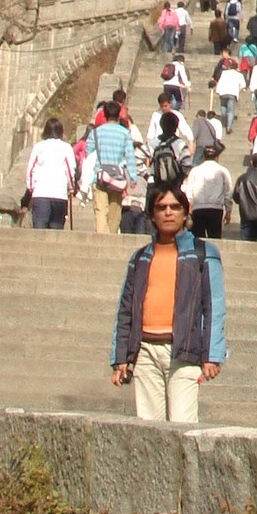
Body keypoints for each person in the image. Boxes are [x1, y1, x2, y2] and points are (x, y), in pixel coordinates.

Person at [110, 183, 226, 422]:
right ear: (152, 215)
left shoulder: (203, 253)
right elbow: (125, 309)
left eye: (175, 207)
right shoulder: (140, 257)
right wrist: (120, 357)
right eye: (161, 207)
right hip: (145, 352)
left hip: (184, 353)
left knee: (182, 426)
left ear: (186, 212)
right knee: (148, 428)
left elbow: (214, 306)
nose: (168, 212)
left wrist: (212, 354)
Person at [88, 99, 138, 236]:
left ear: (104, 114)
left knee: (100, 210)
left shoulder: (96, 132)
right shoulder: (125, 133)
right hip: (118, 178)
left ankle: (101, 237)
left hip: (99, 176)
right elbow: (130, 156)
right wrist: (133, 177)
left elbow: (88, 153)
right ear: (118, 115)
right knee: (115, 212)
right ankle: (112, 237)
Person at [25, 117, 77, 230]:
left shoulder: (38, 147)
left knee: (39, 227)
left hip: (40, 193)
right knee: (56, 228)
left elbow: (30, 169)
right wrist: (71, 186)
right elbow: (70, 170)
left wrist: (31, 188)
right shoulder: (66, 148)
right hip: (59, 194)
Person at [186, 153, 232, 239]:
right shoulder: (223, 170)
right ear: (216, 156)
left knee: (198, 238)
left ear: (203, 156)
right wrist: (228, 210)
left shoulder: (195, 170)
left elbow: (189, 190)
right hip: (216, 208)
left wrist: (189, 206)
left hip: (198, 207)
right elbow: (228, 191)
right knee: (215, 236)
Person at [145, 96, 194, 166]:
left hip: (173, 145)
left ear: (170, 104)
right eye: (162, 106)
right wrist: (148, 141)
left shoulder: (177, 115)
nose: (164, 108)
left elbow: (185, 129)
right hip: (159, 145)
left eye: (165, 106)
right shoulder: (156, 115)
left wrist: (191, 141)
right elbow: (151, 131)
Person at [212, 54, 246, 134]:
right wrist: (238, 89)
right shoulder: (239, 75)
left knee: (223, 106)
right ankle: (229, 127)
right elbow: (243, 85)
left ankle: (224, 118)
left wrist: (218, 90)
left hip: (223, 92)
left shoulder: (224, 73)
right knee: (231, 110)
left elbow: (220, 82)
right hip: (233, 93)